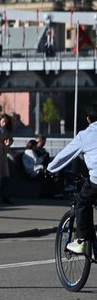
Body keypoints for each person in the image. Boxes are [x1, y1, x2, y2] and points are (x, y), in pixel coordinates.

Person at [47, 103, 97, 254]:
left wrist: (50, 169)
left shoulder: (86, 134)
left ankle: (81, 240)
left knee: (82, 203)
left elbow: (64, 155)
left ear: (89, 119)